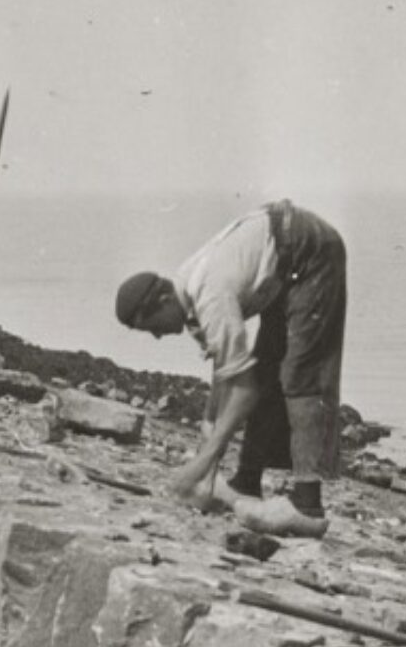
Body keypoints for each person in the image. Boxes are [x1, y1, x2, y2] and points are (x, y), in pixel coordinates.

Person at [115, 200, 347, 537]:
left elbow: (244, 392)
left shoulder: (209, 297)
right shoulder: (189, 298)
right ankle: (246, 484)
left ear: (164, 301)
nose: (156, 336)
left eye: (150, 326)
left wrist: (201, 464)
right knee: (265, 370)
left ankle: (307, 507)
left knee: (300, 374)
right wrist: (207, 450)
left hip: (311, 250)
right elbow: (226, 373)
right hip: (283, 255)